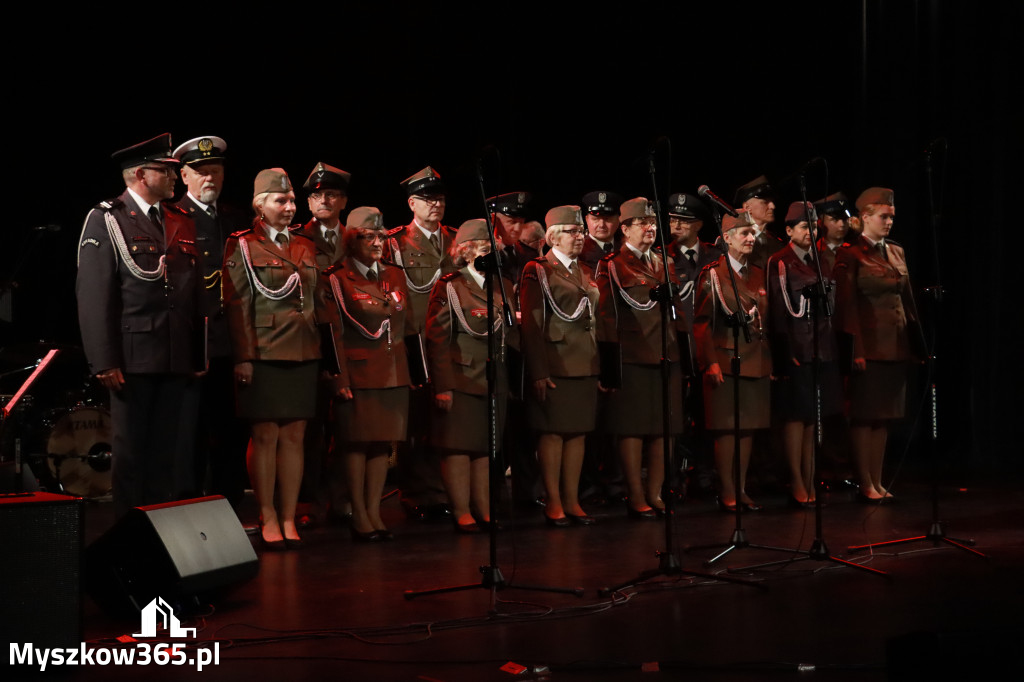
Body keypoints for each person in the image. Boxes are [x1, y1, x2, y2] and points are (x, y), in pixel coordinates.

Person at [77, 133, 203, 518]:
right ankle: (129, 537)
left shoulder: (179, 219)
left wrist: (196, 352)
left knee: (166, 452)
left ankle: (162, 534)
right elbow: (95, 295)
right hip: (132, 358)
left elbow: (190, 293)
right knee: (131, 453)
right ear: (139, 175)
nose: (175, 176)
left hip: (174, 354)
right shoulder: (107, 218)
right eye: (165, 169)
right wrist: (104, 360)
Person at [222, 168, 322, 550]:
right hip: (263, 351)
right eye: (281, 200)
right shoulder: (243, 245)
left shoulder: (304, 245)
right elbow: (238, 305)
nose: (290, 206)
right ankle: (266, 513)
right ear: (260, 204)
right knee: (265, 435)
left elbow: (314, 302)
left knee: (295, 436)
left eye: (292, 200)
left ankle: (288, 514)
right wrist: (244, 357)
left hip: (302, 350)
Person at [596, 198, 689, 518]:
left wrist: (684, 357)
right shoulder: (613, 265)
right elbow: (607, 318)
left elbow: (678, 314)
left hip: (667, 355)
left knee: (666, 429)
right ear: (625, 229)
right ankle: (635, 494)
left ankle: (656, 492)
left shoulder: (665, 262)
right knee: (633, 429)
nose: (651, 229)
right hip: (633, 357)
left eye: (653, 224)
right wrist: (609, 368)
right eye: (642, 224)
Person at [325, 207, 413, 540]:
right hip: (358, 374)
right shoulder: (337, 277)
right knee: (356, 445)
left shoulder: (395, 274)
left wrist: (414, 373)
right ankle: (358, 513)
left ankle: (374, 510)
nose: (378, 242)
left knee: (381, 446)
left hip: (392, 373)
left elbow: (409, 326)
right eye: (369, 236)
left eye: (382, 236)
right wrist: (338, 378)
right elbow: (332, 333)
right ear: (351, 240)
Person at [172, 135, 250, 509]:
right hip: (192, 348)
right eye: (200, 171)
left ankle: (230, 509)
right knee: (190, 436)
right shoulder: (172, 219)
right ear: (184, 176)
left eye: (215, 170)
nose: (209, 178)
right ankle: (190, 510)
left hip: (232, 347)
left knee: (232, 434)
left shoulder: (236, 220)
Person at [425, 219, 512, 532]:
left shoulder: (499, 284)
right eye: (484, 246)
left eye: (493, 246)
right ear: (465, 251)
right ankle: (462, 510)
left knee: (485, 448)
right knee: (459, 448)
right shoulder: (450, 285)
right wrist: (443, 386)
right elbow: (437, 340)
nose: (491, 251)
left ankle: (484, 507)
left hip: (492, 379)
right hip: (461, 379)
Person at [834, 188, 920, 503]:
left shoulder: (896, 251)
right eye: (883, 217)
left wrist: (916, 342)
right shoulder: (850, 254)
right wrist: (855, 349)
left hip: (895, 344)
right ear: (865, 217)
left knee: (883, 417)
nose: (888, 223)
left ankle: (878, 480)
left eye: (891, 217)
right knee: (864, 415)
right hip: (868, 348)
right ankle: (865, 482)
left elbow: (907, 301)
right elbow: (847, 306)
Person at [519, 206, 601, 526]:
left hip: (584, 362)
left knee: (578, 434)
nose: (579, 236)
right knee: (553, 434)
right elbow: (532, 325)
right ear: (552, 236)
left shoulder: (584, 270)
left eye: (581, 231)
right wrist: (539, 370)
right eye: (571, 231)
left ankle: (572, 499)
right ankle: (553, 500)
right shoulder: (538, 270)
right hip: (556, 363)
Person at [385, 166, 455, 522]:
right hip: (413, 341)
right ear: (412, 203)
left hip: (451, 342)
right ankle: (416, 490)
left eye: (440, 199)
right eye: (428, 199)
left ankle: (443, 489)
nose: (436, 205)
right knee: (414, 423)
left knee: (445, 422)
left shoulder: (456, 239)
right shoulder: (395, 243)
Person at [693, 211, 772, 511]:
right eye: (744, 233)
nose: (751, 238)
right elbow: (702, 323)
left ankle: (740, 488)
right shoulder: (714, 273)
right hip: (725, 359)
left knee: (748, 428)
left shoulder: (757, 273)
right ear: (726, 238)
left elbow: (766, 321)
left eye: (753, 234)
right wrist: (709, 362)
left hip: (755, 359)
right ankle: (727, 490)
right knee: (727, 429)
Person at [767, 202, 843, 507]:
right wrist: (785, 353)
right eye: (803, 227)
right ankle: (796, 479)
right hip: (797, 348)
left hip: (822, 348)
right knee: (796, 417)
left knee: (813, 418)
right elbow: (778, 310)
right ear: (788, 231)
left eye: (813, 228)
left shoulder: (821, 260)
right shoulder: (780, 261)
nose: (810, 233)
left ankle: (810, 477)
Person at [289, 161, 352, 528]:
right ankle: (307, 501)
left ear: (343, 200)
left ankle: (342, 499)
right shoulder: (298, 239)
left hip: (354, 343)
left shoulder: (358, 239)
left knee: (348, 428)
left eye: (330, 194)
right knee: (310, 427)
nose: (323, 200)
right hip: (312, 340)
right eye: (316, 195)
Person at [729, 175, 785, 269]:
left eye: (771, 201)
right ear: (747, 207)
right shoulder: (732, 242)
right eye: (765, 202)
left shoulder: (778, 244)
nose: (772, 206)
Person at [579, 190, 623, 271]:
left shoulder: (626, 248)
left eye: (607, 219)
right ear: (586, 220)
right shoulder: (578, 250)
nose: (602, 225)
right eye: (595, 219)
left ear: (618, 220)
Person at [813, 192, 854, 271]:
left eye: (845, 219)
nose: (841, 224)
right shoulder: (814, 255)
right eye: (835, 219)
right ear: (820, 223)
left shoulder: (856, 249)